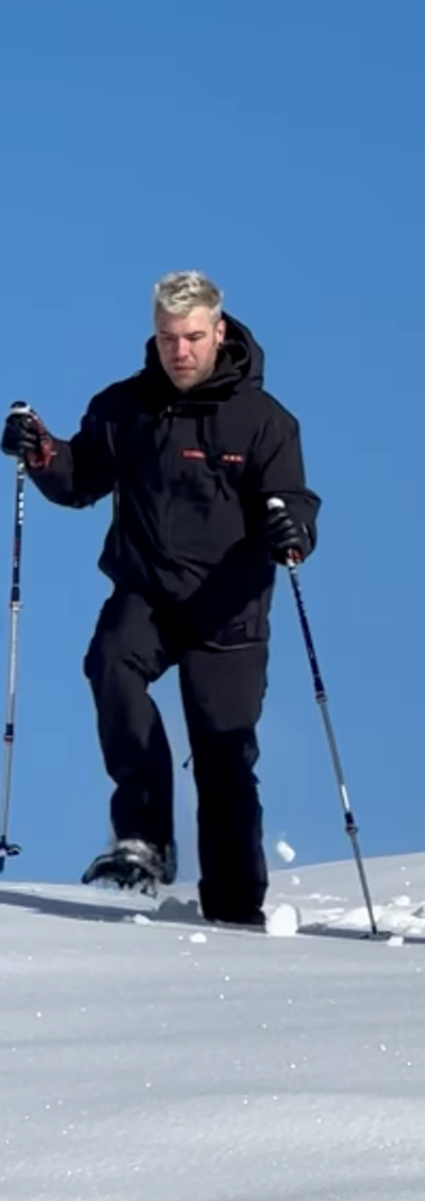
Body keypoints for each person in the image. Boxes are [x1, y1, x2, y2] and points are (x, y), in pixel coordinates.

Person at [1, 271, 320, 928]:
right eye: (170, 338)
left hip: (228, 611)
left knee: (222, 752)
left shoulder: (264, 422)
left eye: (194, 337)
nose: (181, 351)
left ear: (219, 332)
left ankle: (234, 905)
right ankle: (144, 840)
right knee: (110, 661)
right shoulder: (125, 408)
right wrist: (40, 450)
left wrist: (292, 526)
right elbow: (78, 474)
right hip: (146, 591)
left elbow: (291, 499)